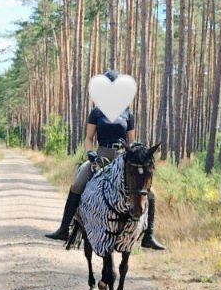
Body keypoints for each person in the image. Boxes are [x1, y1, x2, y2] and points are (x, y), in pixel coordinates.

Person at [46, 69, 165, 250]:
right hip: (101, 155)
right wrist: (90, 153)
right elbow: (89, 138)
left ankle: (148, 236)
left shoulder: (128, 114)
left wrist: (136, 153)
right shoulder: (96, 112)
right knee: (78, 183)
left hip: (123, 159)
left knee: (151, 192)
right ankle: (64, 228)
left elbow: (131, 141)